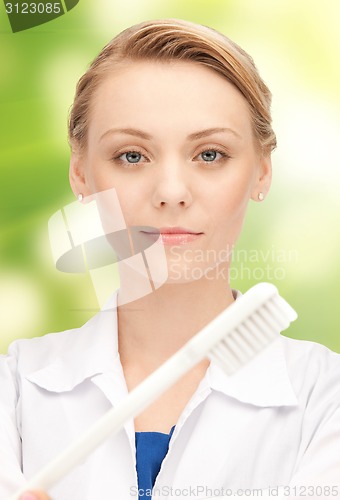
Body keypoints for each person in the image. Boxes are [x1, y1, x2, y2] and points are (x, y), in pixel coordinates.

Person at [1, 18, 340, 500]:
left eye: (210, 154)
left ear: (262, 171)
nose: (172, 193)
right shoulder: (13, 391)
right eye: (133, 156)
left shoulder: (327, 398)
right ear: (80, 173)